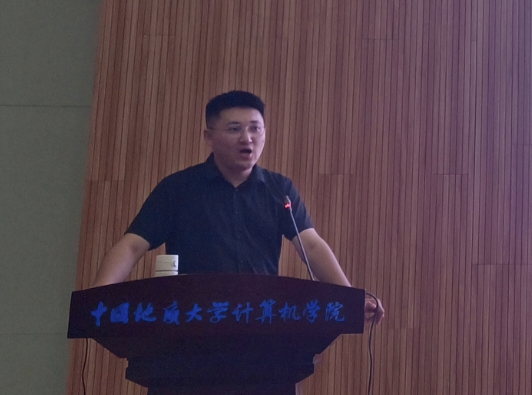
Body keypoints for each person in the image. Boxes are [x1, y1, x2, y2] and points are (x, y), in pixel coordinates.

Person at [91, 90, 383, 323]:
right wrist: (96, 301)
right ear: (209, 137)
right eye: (234, 129)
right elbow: (132, 246)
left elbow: (312, 246)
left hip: (261, 323)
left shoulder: (279, 190)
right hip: (195, 322)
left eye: (256, 129)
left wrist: (350, 299)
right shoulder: (178, 188)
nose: (247, 138)